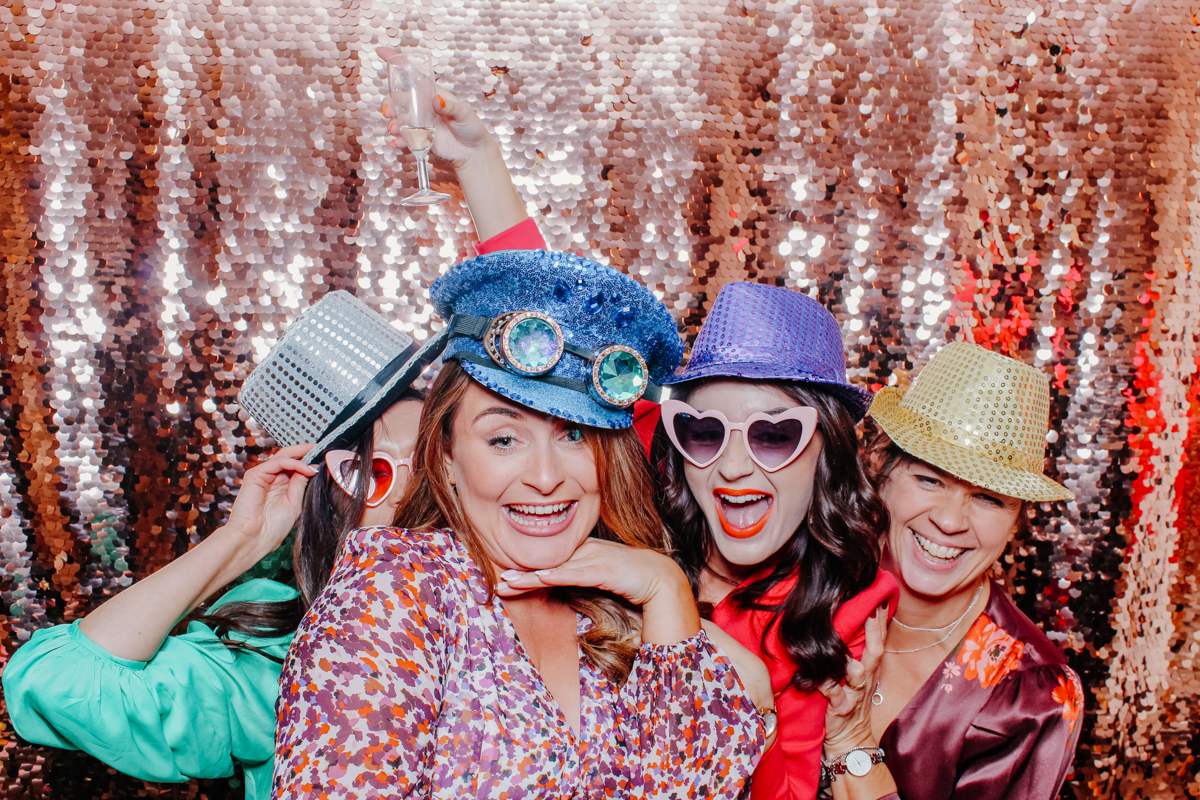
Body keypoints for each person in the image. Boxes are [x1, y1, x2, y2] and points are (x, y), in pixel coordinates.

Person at [1, 84, 545, 800]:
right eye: (376, 474)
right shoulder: (280, 657)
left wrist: (480, 168)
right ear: (328, 505)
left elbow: (566, 367)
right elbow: (57, 685)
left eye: (440, 460)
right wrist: (239, 541)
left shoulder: (552, 603)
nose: (418, 493)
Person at [272, 249, 767, 799]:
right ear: (445, 459)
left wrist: (665, 587)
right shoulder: (394, 594)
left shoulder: (606, 612)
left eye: (574, 435)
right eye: (503, 439)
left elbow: (688, 787)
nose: (546, 477)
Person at [649, 281, 898, 800]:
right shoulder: (635, 521)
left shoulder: (837, 612)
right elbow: (540, 317)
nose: (733, 467)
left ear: (824, 452)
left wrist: (749, 690)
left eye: (774, 434)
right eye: (705, 431)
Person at [818, 341, 1084, 800]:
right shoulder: (808, 583)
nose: (950, 520)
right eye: (929, 479)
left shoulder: (1032, 698)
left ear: (1015, 521)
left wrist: (853, 742)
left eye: (988, 498)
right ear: (883, 475)